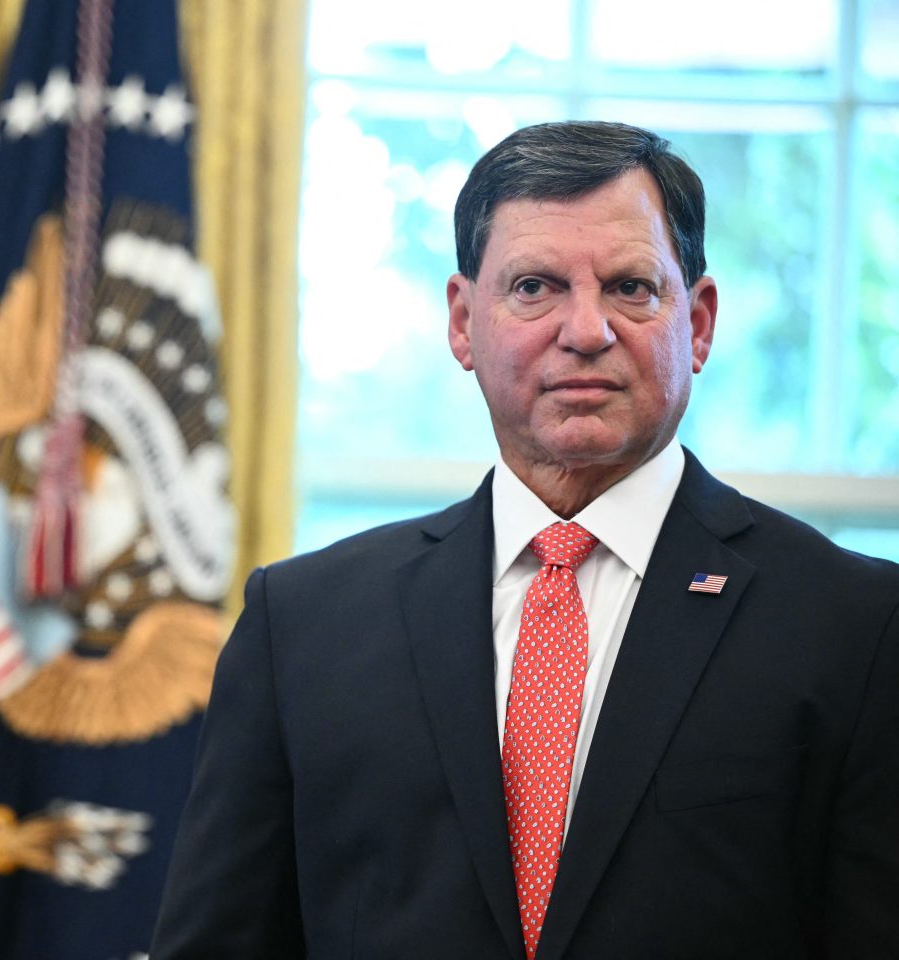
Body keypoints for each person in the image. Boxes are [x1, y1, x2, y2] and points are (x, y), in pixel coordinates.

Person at [149, 121, 899, 959]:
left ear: (700, 322)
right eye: (536, 286)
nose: (585, 330)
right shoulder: (301, 625)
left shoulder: (858, 628)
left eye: (630, 287)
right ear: (464, 322)